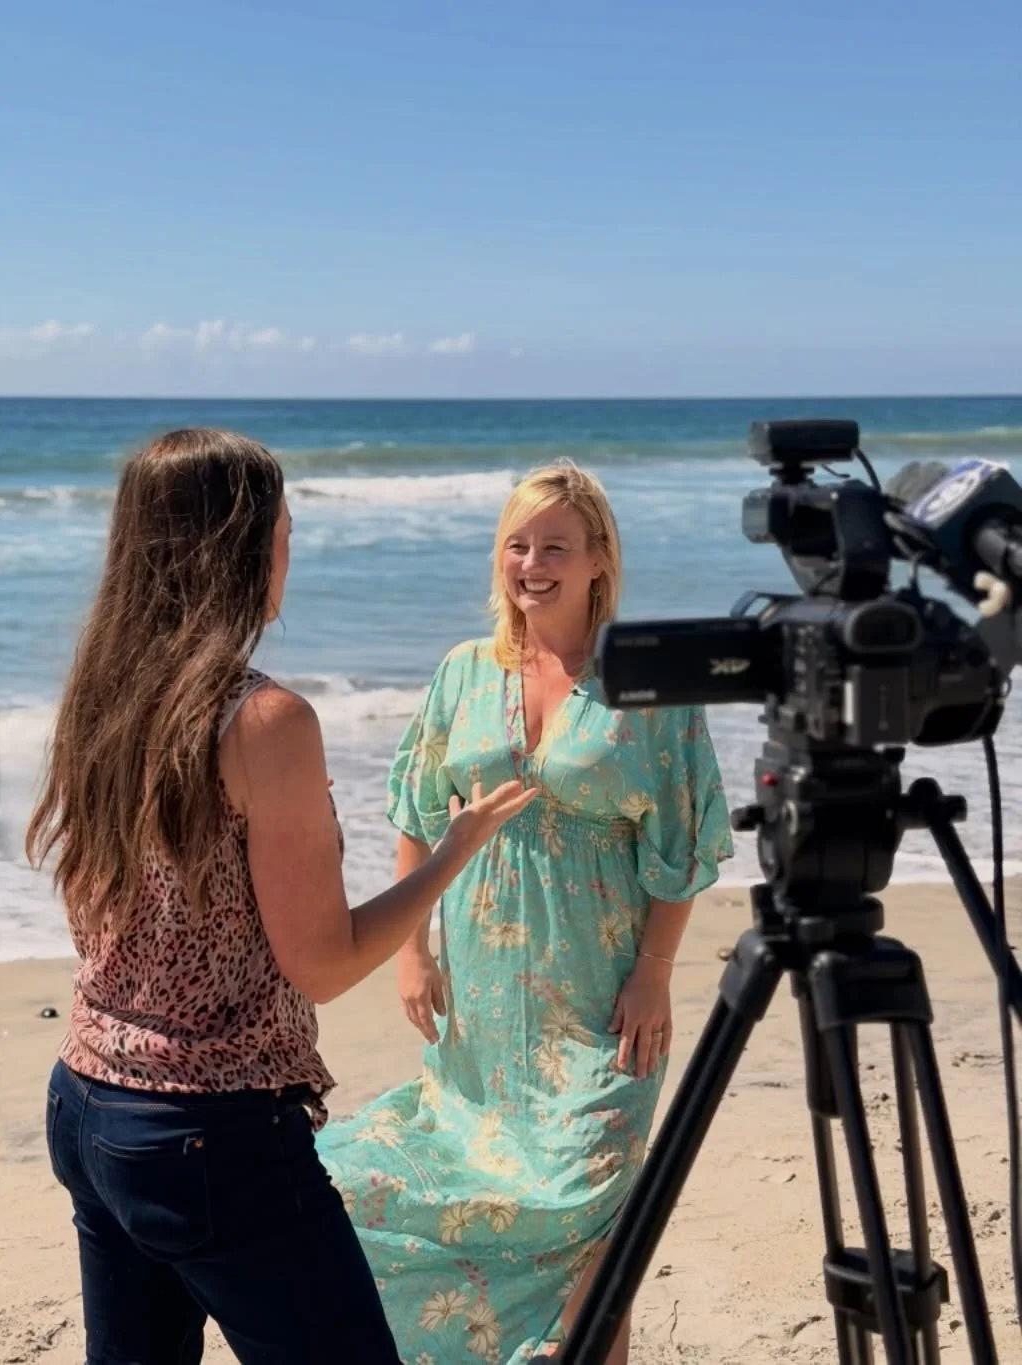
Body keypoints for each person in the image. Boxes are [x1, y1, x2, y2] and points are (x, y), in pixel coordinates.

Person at [26, 428, 535, 1365]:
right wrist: (454, 851)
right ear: (243, 545)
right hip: (212, 1134)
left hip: (89, 1101)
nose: (289, 549)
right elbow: (326, 962)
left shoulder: (106, 689)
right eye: (285, 529)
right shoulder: (264, 718)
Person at [316, 460, 734, 1364]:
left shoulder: (644, 682)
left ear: (598, 559)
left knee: (591, 1213)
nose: (531, 561)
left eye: (555, 545)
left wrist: (655, 977)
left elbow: (683, 844)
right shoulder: (465, 671)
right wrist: (410, 950)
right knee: (367, 1185)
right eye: (517, 543)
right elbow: (418, 810)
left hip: (603, 1000)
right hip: (483, 1003)